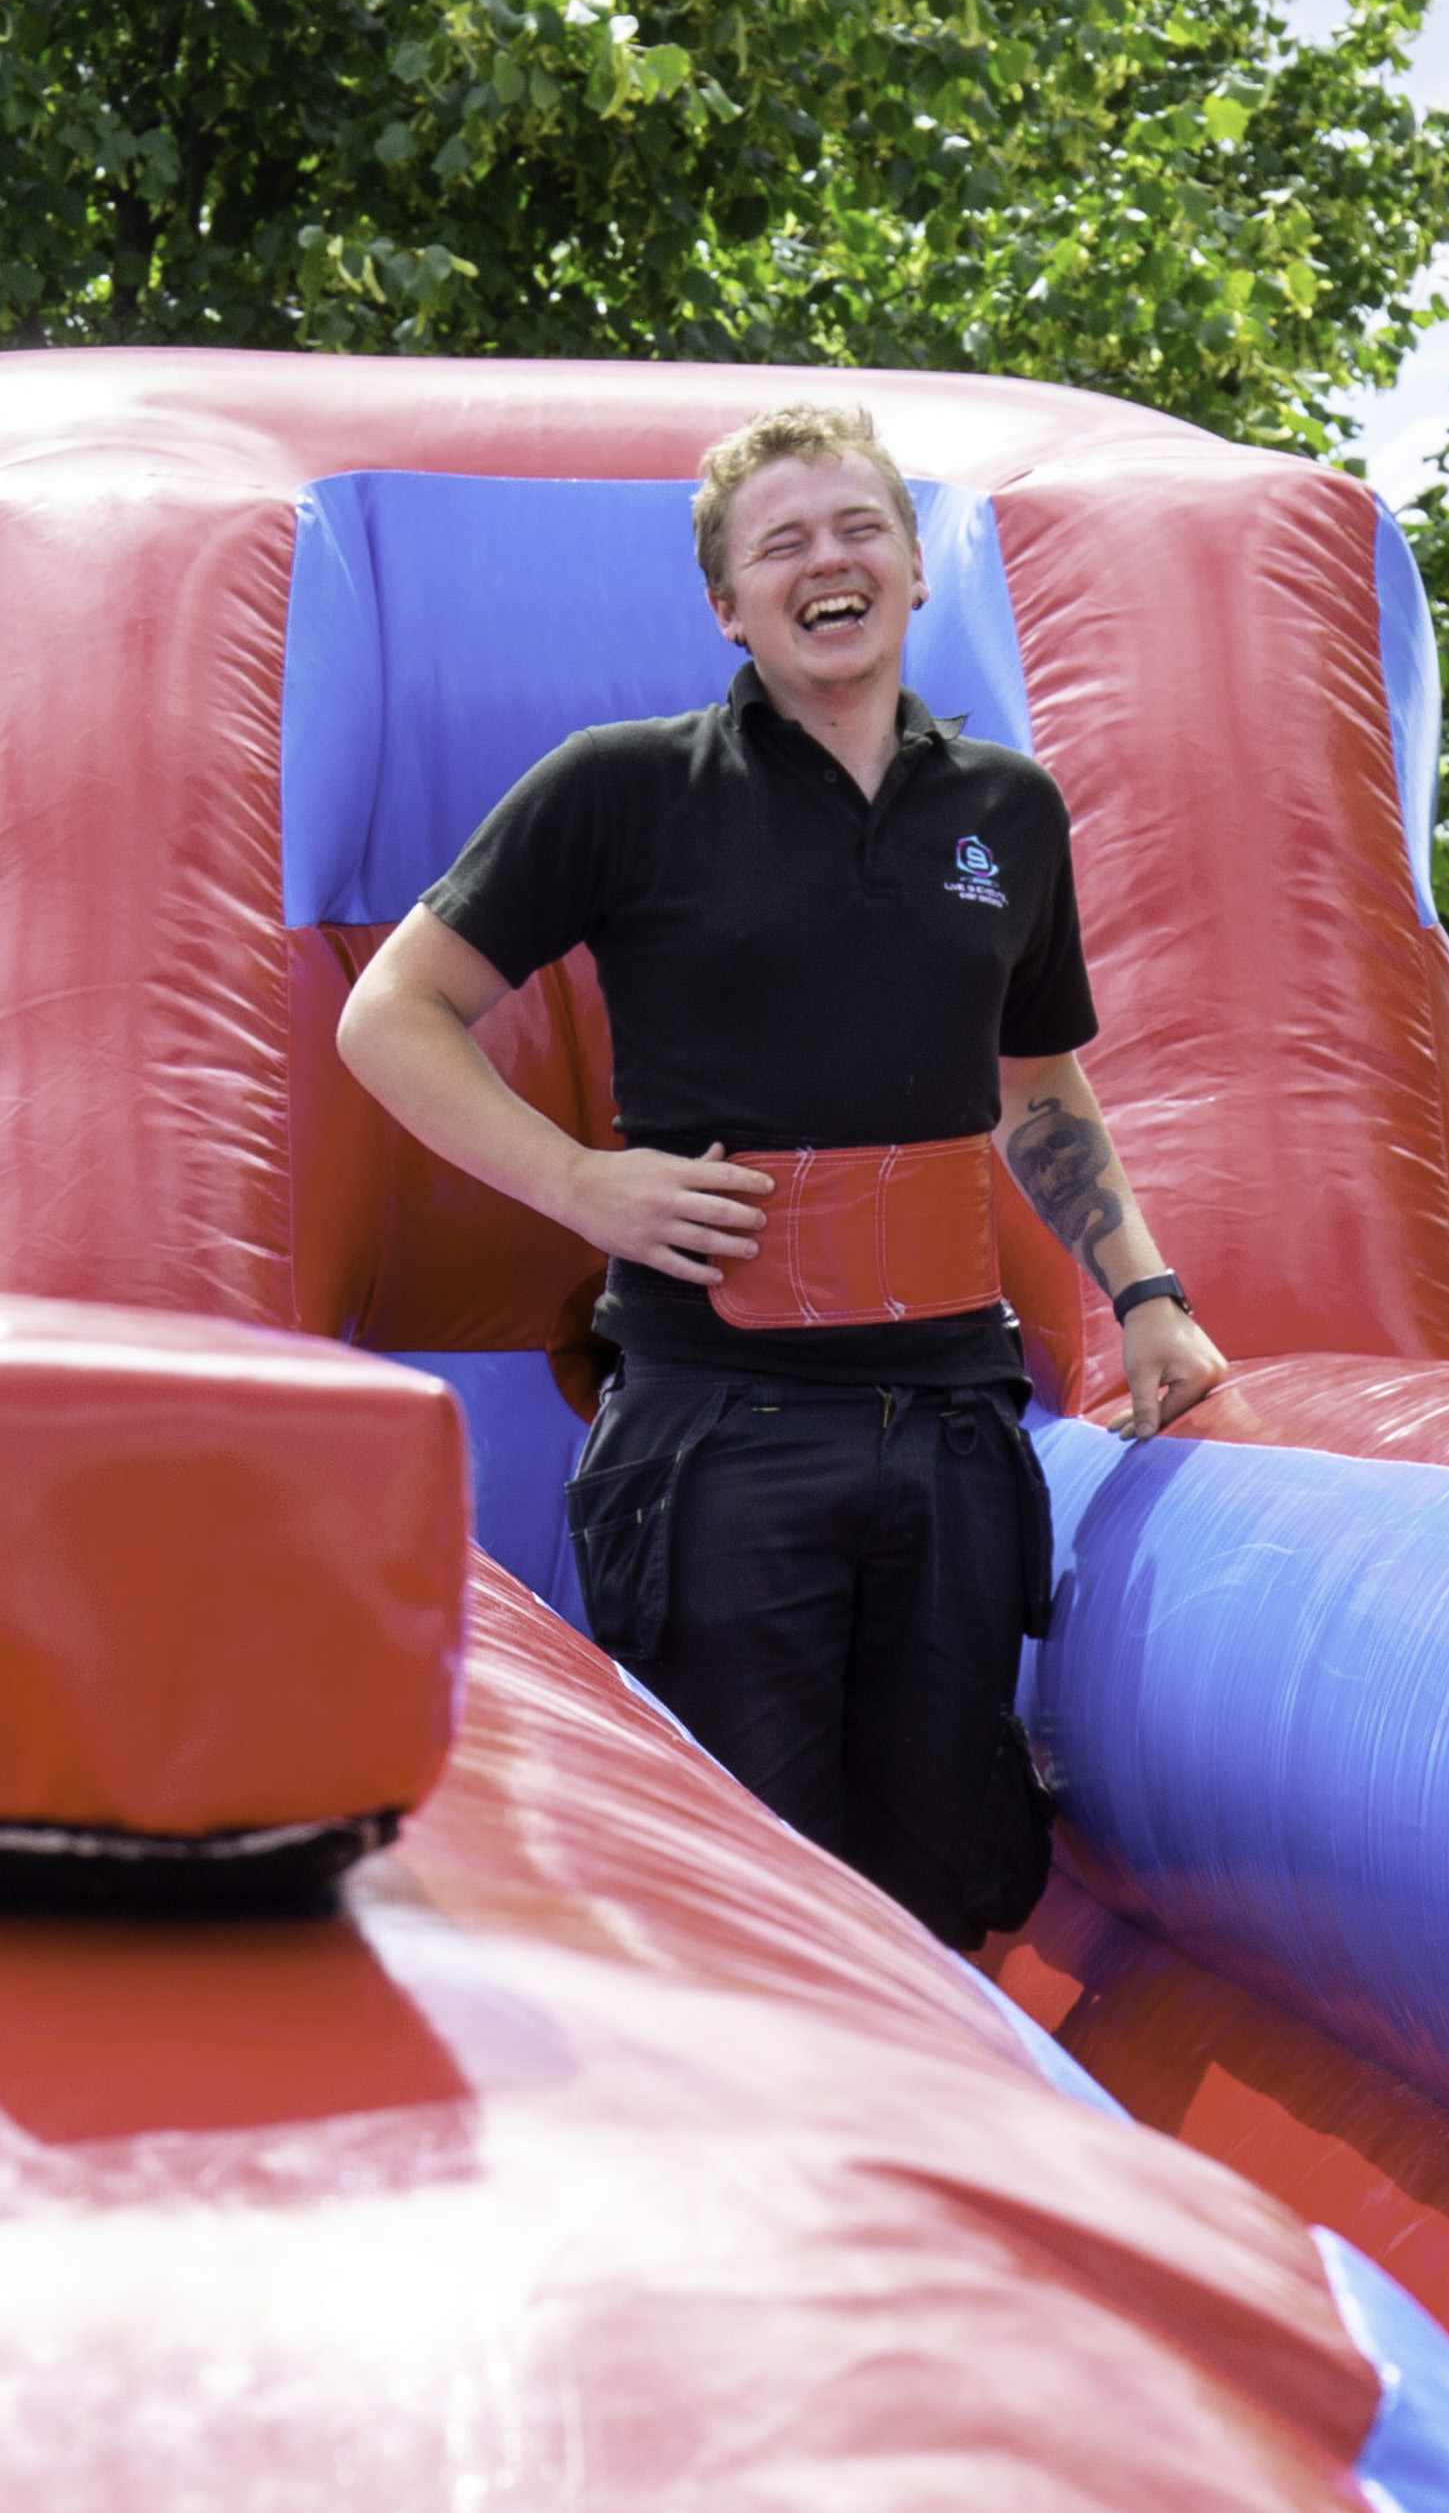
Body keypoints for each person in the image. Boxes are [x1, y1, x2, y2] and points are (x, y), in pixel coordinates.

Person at [333, 401, 1228, 1949]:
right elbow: (388, 1016)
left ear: (912, 569)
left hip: (952, 1431)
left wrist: (1143, 1293)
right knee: (739, 1912)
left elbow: (1036, 1086)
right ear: (727, 606)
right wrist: (579, 1185)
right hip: (718, 1439)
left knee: (955, 1890)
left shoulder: (1003, 810)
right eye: (783, 544)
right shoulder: (619, 788)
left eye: (858, 528)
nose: (828, 562)